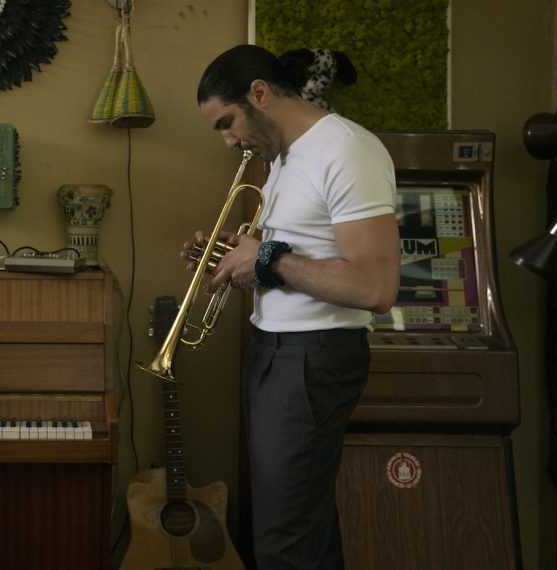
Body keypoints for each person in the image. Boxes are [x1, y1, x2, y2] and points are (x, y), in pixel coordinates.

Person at [184, 44, 399, 569]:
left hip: (311, 358)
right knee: (295, 530)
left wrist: (270, 258)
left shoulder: (347, 149)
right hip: (276, 353)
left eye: (228, 123)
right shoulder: (283, 158)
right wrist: (240, 260)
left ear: (260, 93)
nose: (231, 139)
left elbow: (375, 286)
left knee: (286, 541)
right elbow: (297, 265)